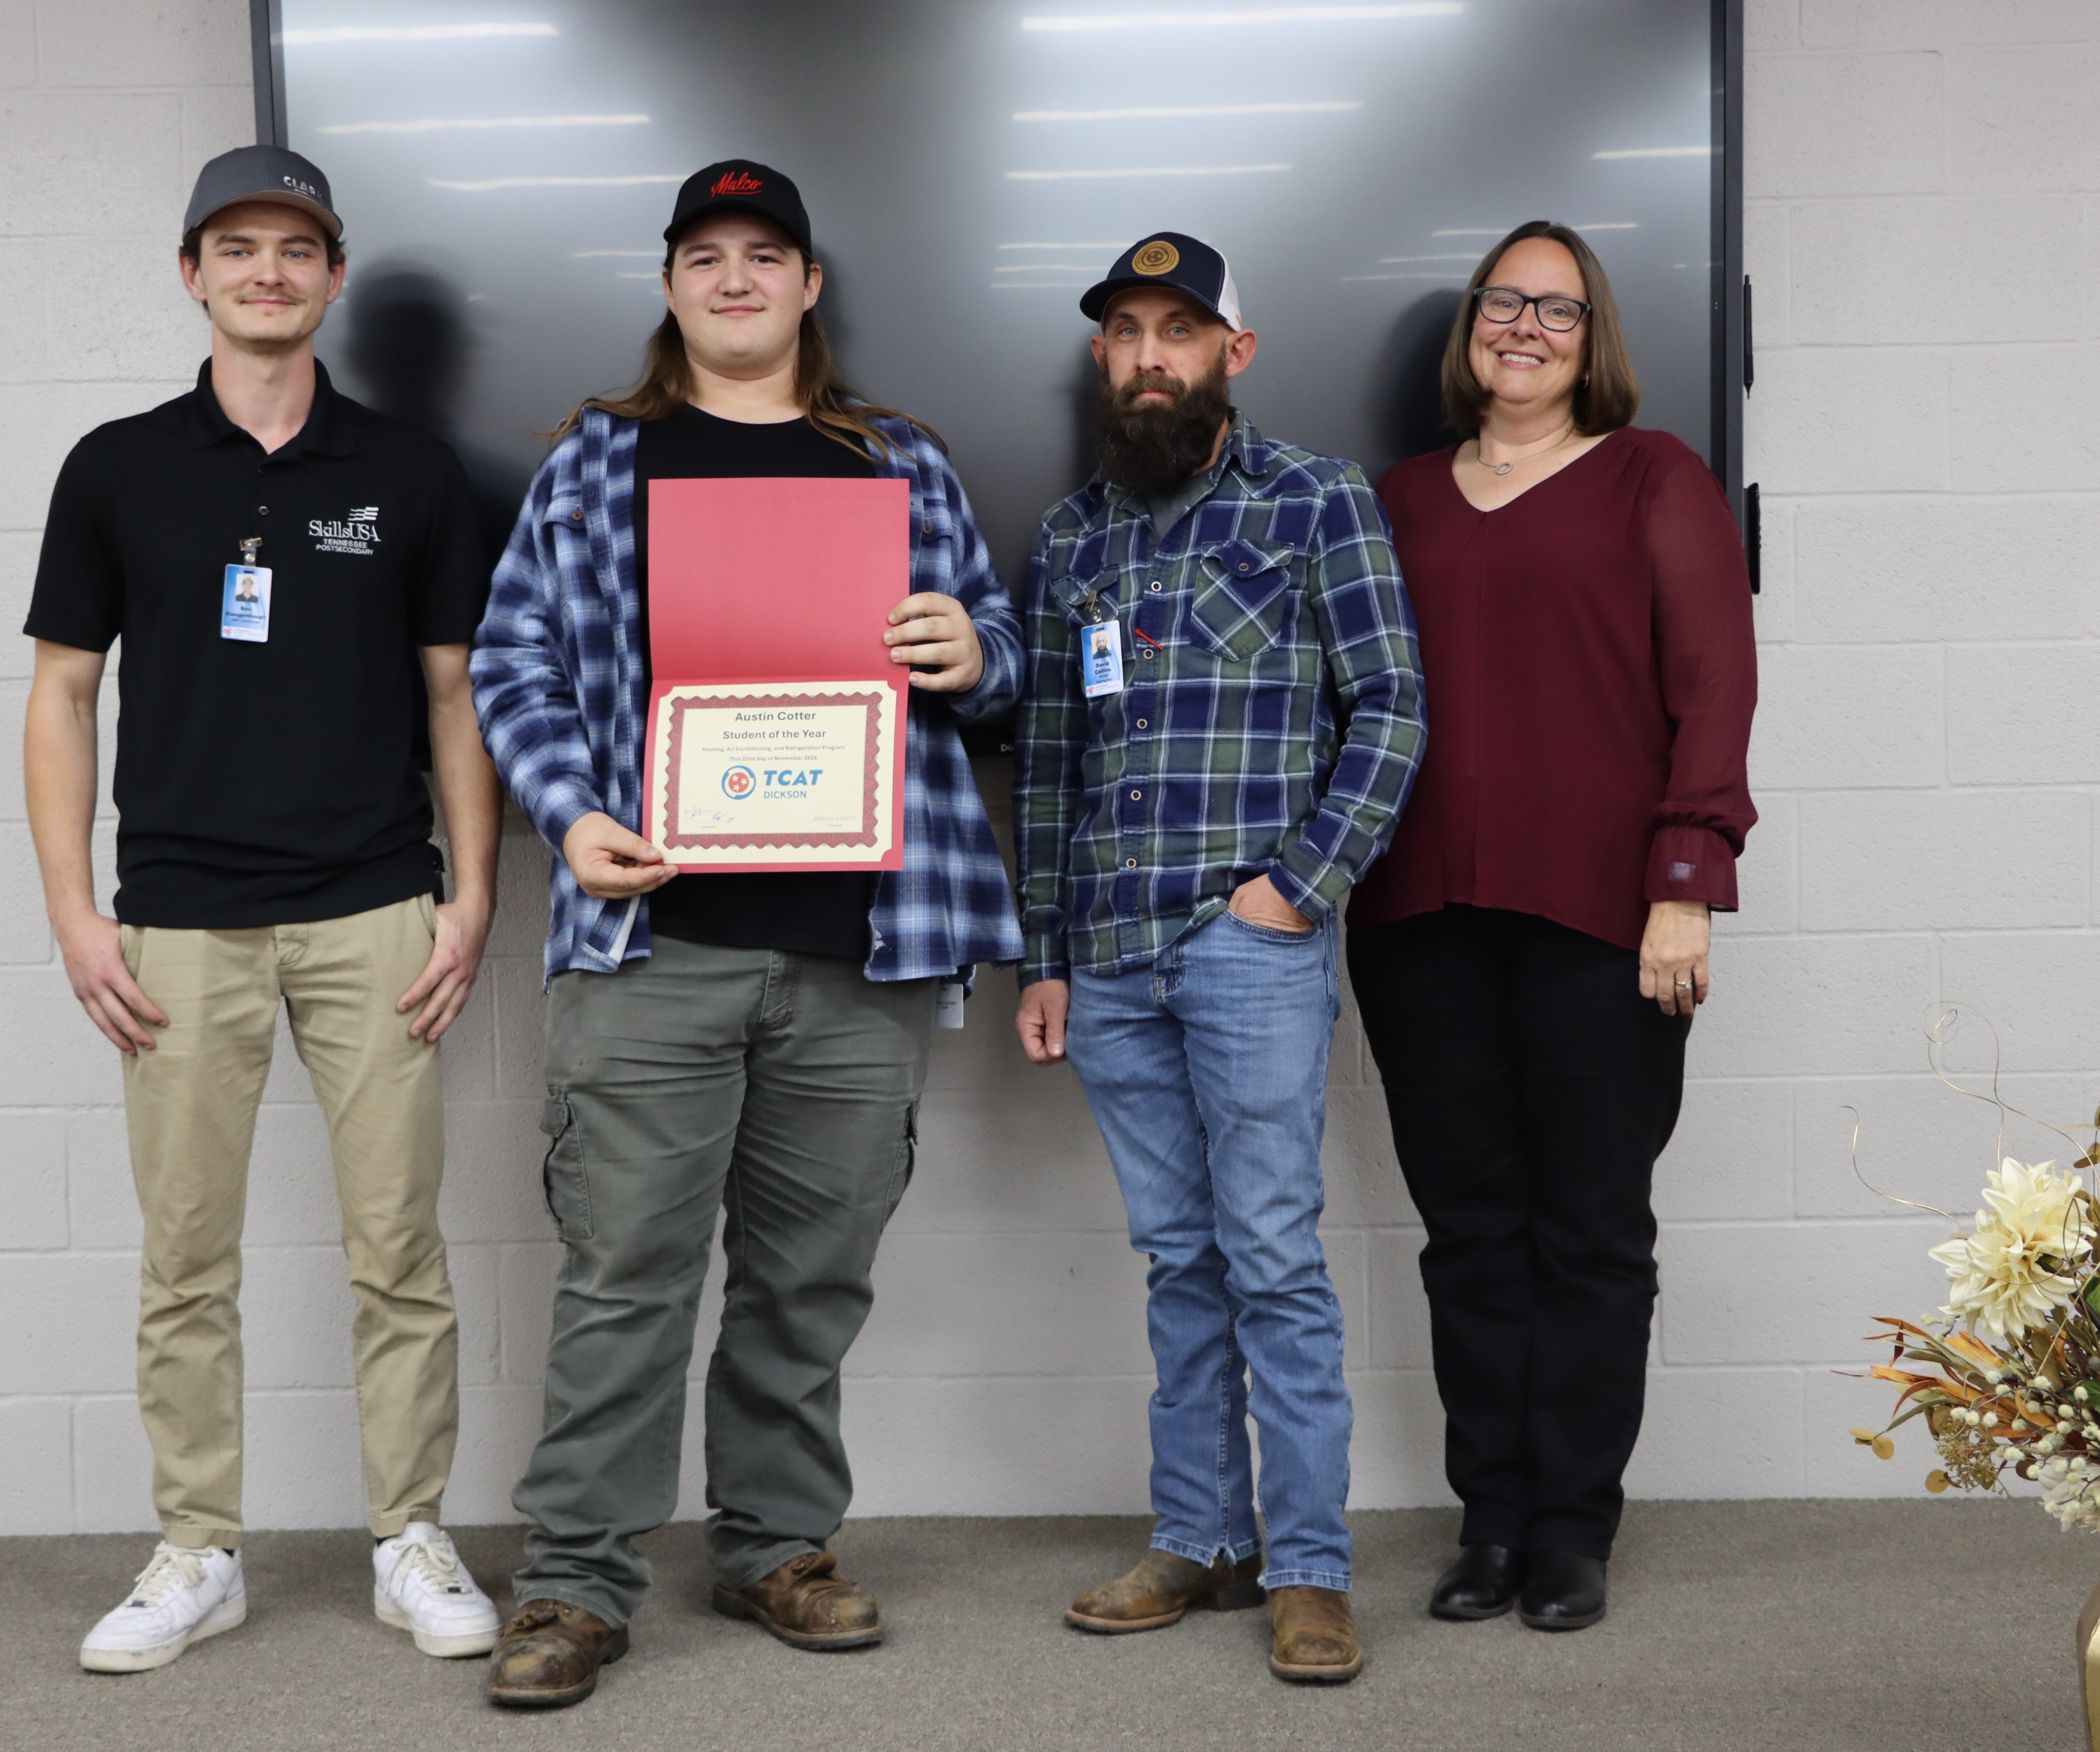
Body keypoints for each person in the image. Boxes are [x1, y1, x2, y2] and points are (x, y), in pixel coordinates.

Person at [468, 160, 1022, 1709]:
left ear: (806, 285)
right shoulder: (595, 464)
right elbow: (509, 664)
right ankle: (575, 1577)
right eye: (701, 257)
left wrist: (974, 650)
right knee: (624, 1269)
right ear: (669, 288)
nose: (732, 280)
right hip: (654, 939)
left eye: (762, 255)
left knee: (809, 1273)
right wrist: (571, 814)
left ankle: (777, 1538)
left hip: (863, 943)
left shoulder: (898, 461)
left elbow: (1005, 660)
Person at [22, 145, 505, 1674]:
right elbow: (62, 693)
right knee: (185, 1259)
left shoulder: (410, 472)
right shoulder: (117, 466)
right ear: (193, 273)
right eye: (237, 247)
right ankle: (198, 1546)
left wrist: (471, 891)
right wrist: (77, 915)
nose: (267, 272)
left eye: (296, 249)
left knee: (399, 1251)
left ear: (332, 276)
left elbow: (454, 695)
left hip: (375, 907)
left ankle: (410, 1537)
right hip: (176, 918)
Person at [1013, 233, 1426, 1685]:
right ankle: (1200, 1536)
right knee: (1178, 1259)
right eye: (1124, 331)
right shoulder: (1075, 540)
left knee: (1270, 1256)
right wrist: (1046, 954)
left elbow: (1390, 712)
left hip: (1249, 946)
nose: (1147, 356)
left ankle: (1310, 1566)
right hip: (1112, 957)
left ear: (1231, 356)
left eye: (1178, 331)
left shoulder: (1319, 503)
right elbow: (1053, 760)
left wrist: (1295, 894)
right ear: (1101, 357)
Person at [1346, 221, 1758, 1632]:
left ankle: (1575, 1528)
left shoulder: (1656, 477)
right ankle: (1495, 1521)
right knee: (1469, 1233)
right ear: (1469, 326)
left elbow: (1715, 689)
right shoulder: (1396, 497)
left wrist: (1685, 886)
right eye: (1502, 302)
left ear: (1598, 340)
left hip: (1605, 921)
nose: (1525, 326)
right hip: (1418, 920)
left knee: (1590, 1230)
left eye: (1559, 310)